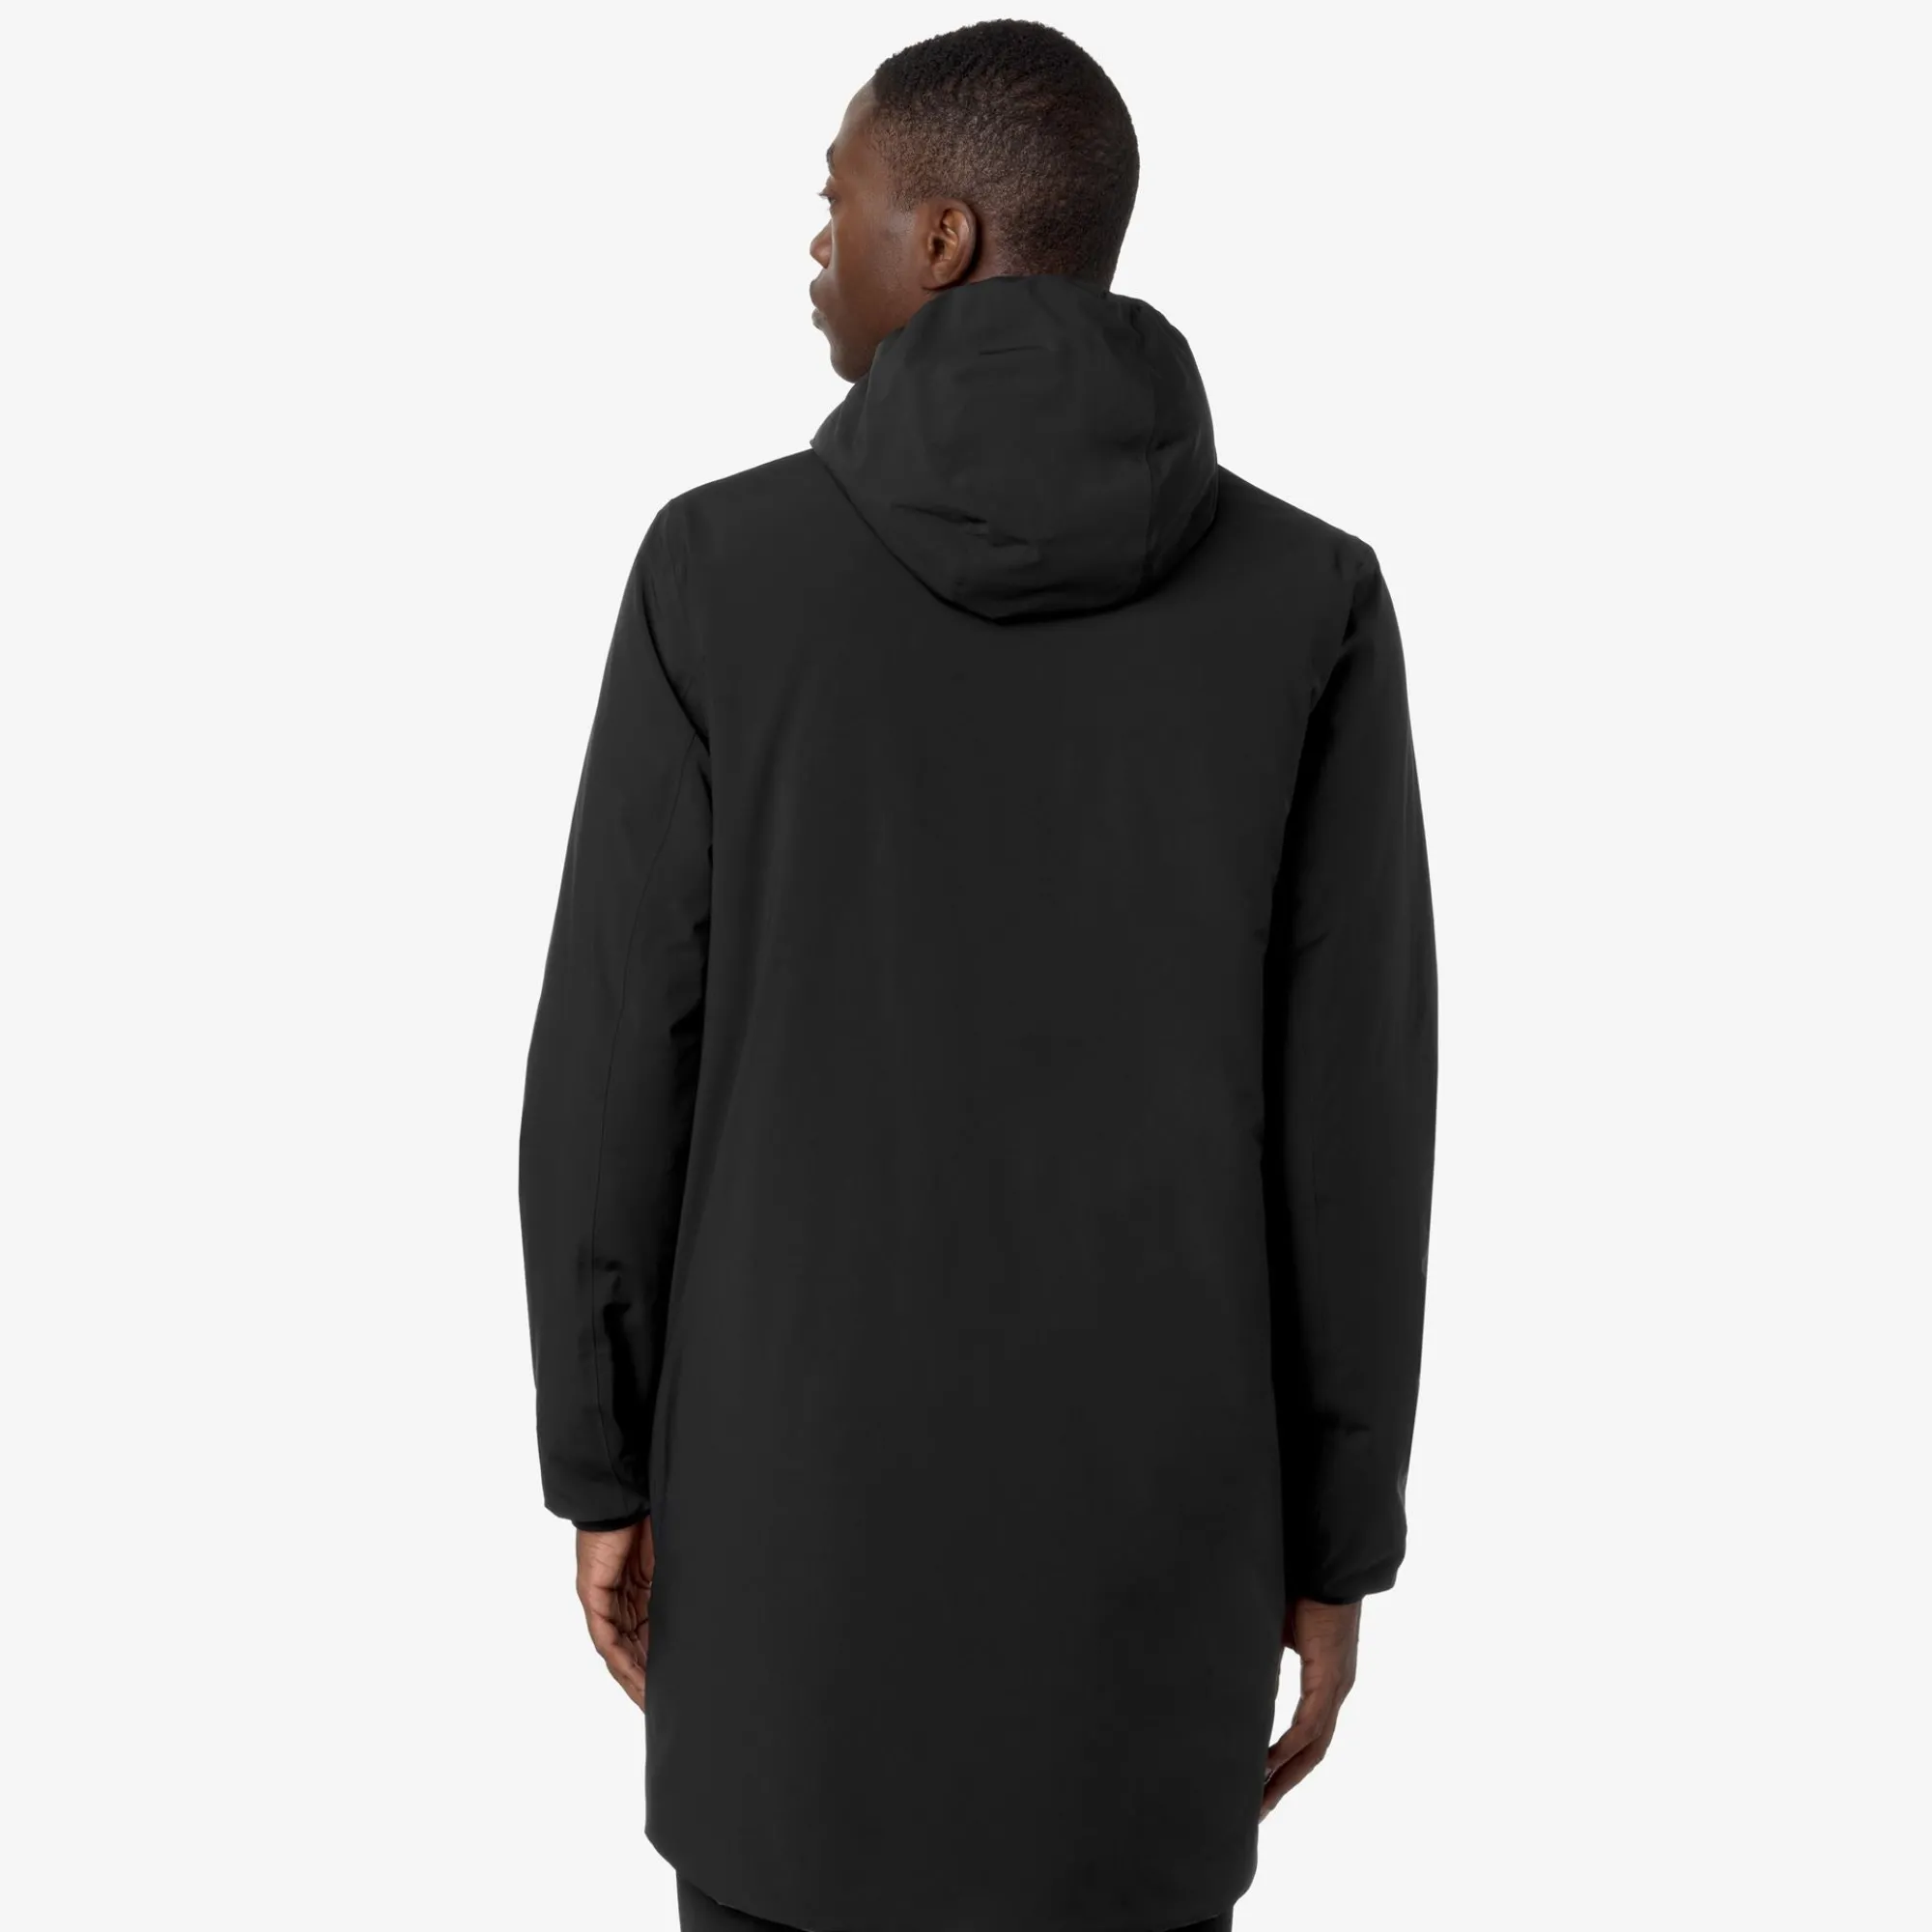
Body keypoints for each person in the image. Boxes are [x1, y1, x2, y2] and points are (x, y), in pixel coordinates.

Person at [519, 19, 1437, 1932]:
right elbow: (1354, 1120)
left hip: (789, 1563)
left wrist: (604, 1465)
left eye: (836, 195)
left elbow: (614, 1064)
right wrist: (1334, 1539)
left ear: (940, 240)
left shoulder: (717, 574)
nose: (813, 238)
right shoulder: (1308, 597)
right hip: (1155, 1565)